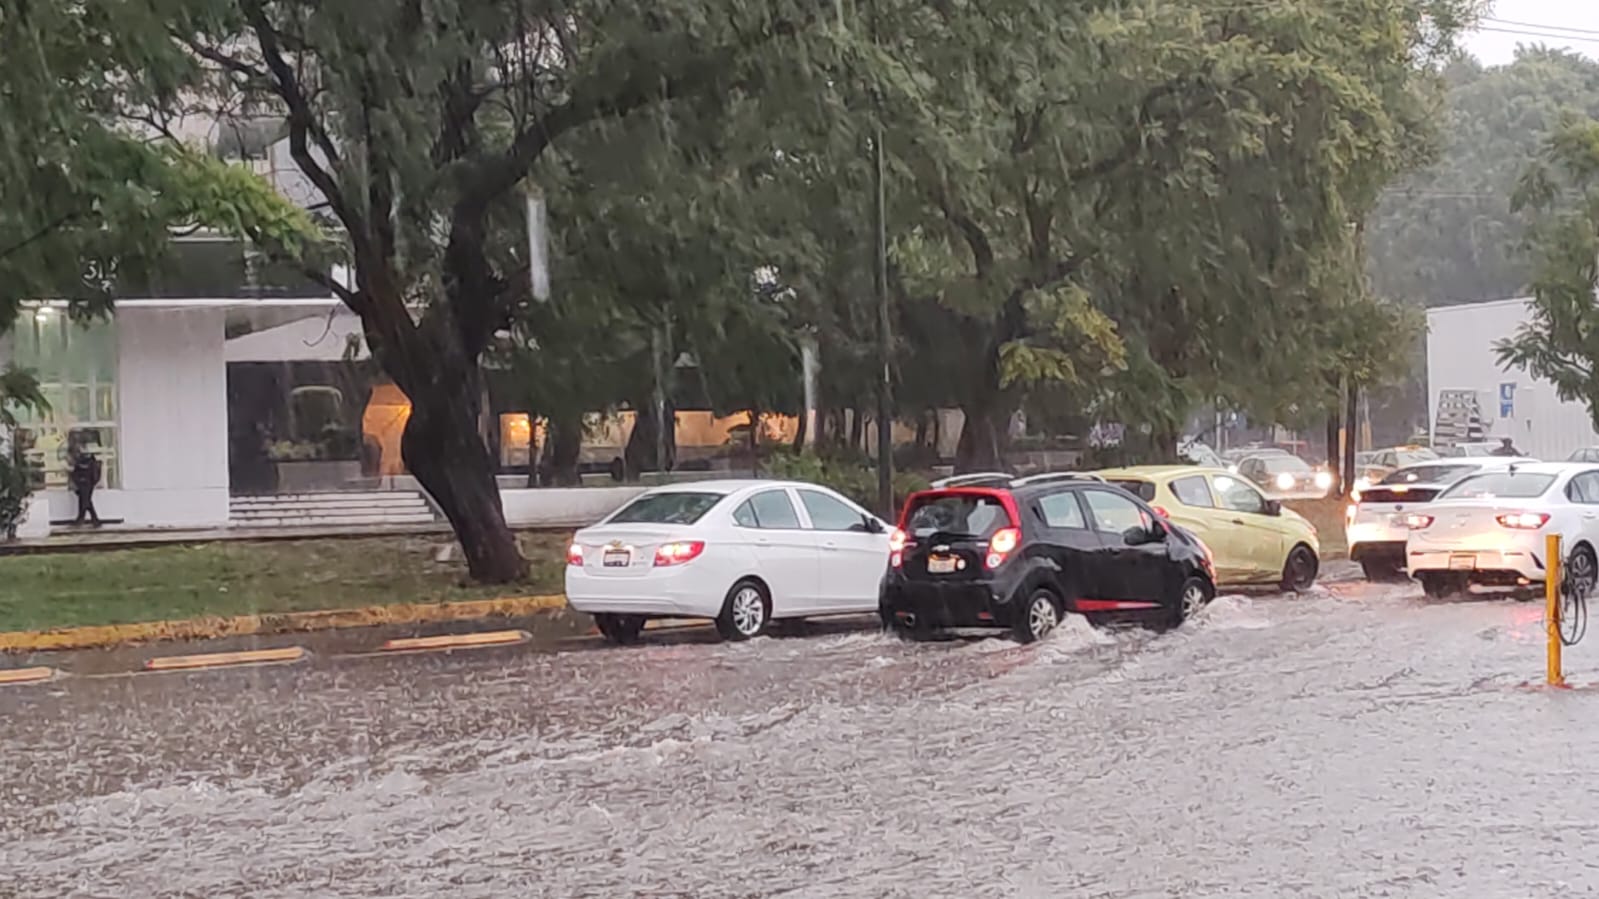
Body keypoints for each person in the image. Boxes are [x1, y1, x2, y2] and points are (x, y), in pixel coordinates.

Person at [69, 444, 102, 526]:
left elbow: (75, 471)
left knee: (84, 501)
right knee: (86, 500)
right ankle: (92, 520)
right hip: (88, 482)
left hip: (84, 483)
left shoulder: (80, 461)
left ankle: (84, 519)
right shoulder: (91, 460)